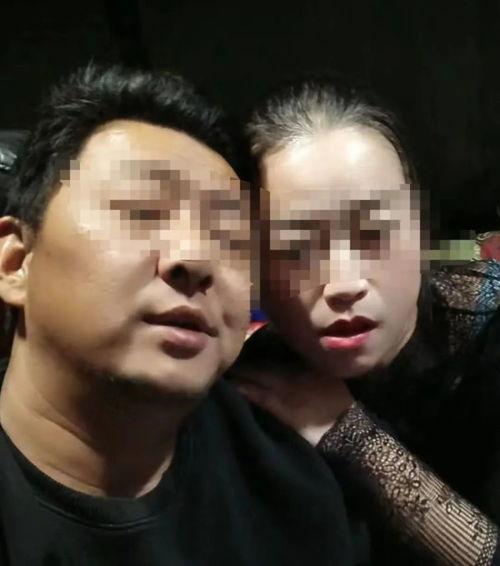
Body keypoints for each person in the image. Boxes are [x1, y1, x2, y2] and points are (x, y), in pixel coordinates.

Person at [0, 65, 370, 566]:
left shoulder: (294, 492)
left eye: (231, 239)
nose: (195, 259)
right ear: (16, 262)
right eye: (141, 211)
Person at [234, 75, 500, 565]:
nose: (344, 283)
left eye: (375, 232)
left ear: (421, 230)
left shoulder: (487, 328)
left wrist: (347, 432)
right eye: (295, 247)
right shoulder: (255, 379)